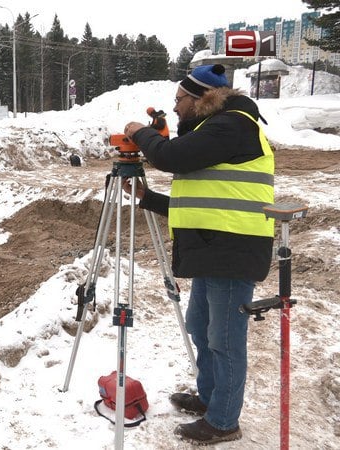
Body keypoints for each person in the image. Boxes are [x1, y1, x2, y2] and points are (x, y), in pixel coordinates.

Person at [123, 64, 274, 445]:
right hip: (215, 246)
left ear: (200, 98)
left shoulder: (233, 124)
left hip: (232, 249)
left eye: (178, 100)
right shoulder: (216, 129)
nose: (174, 108)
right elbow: (202, 200)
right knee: (201, 328)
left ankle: (224, 421)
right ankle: (209, 397)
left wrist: (138, 133)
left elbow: (170, 156)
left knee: (224, 339)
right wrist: (149, 198)